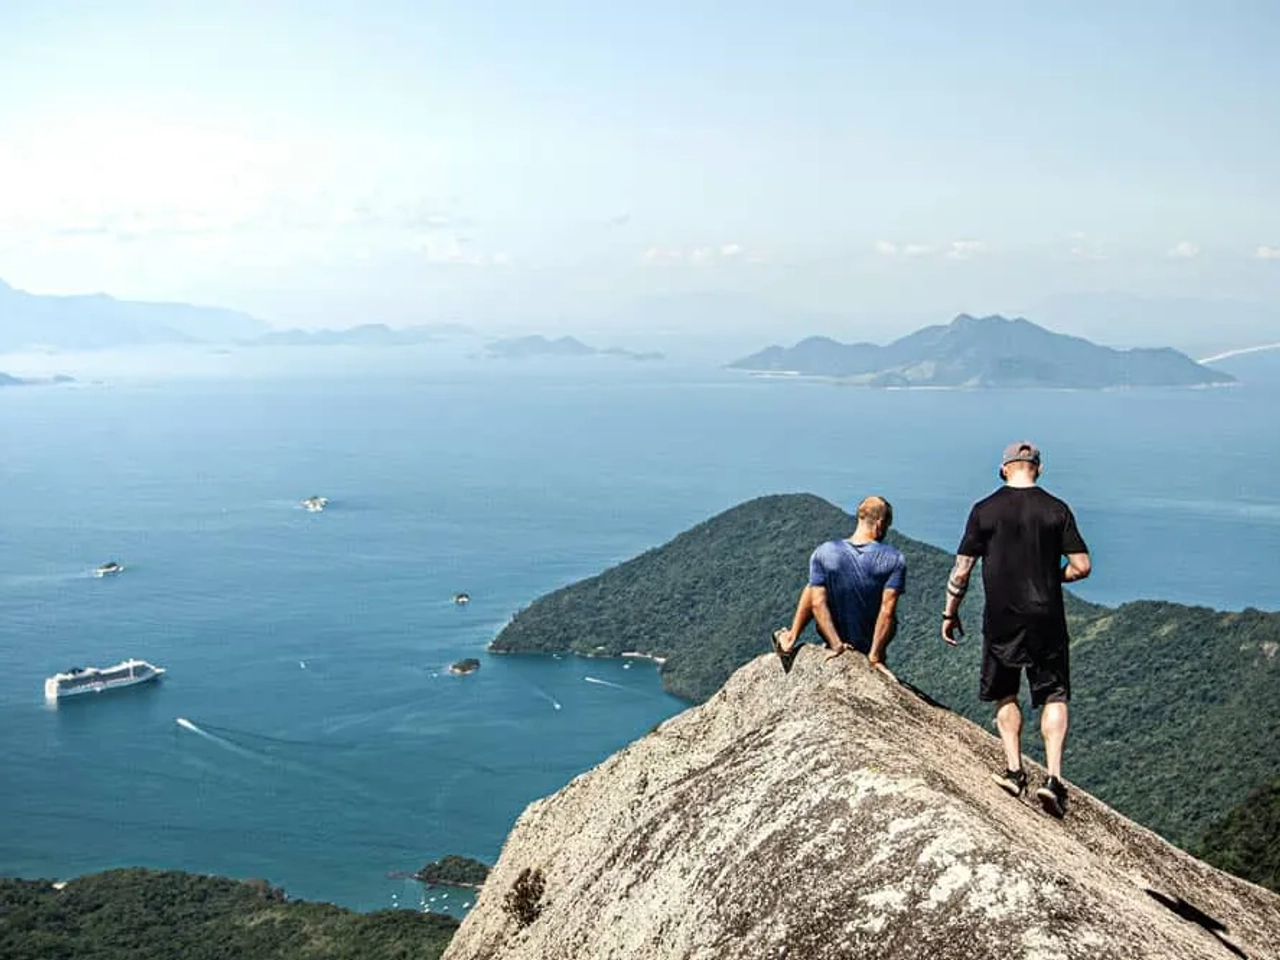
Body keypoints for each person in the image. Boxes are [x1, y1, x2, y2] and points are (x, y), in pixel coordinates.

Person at [941, 441, 1091, 818]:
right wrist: (1053, 578)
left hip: (1001, 616)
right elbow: (1082, 566)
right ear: (1037, 469)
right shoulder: (1057, 509)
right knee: (1054, 693)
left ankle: (1014, 771)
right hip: (1047, 615)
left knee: (1005, 692)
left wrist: (950, 612)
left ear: (1005, 469)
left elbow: (962, 571)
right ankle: (1054, 780)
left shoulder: (984, 510)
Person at [772, 495, 906, 678]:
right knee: (817, 585)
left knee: (814, 587)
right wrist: (874, 657)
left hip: (838, 638)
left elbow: (818, 603)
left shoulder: (824, 552)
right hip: (868, 644)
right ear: (880, 522)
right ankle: (876, 654)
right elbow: (887, 611)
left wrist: (836, 644)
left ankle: (790, 638)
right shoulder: (894, 559)